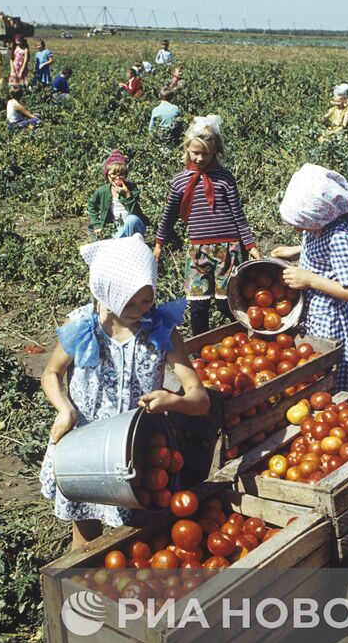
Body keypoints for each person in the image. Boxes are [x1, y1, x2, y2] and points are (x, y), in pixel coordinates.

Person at [38, 234, 209, 545]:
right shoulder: (82, 325)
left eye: (147, 299)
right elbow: (51, 373)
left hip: (137, 451)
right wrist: (64, 409)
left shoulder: (162, 332)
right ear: (107, 292)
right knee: (86, 534)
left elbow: (200, 399)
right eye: (129, 301)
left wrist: (173, 401)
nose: (140, 309)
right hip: (84, 447)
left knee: (136, 537)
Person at [270, 164, 348, 392]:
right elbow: (324, 252)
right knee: (311, 377)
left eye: (301, 223)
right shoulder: (321, 227)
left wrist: (310, 279)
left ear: (318, 215)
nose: (297, 227)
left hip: (329, 323)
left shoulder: (339, 237)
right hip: (312, 314)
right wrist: (297, 250)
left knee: (327, 383)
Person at [153, 116, 261, 335]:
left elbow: (238, 215)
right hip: (198, 251)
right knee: (198, 305)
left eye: (206, 153)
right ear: (187, 149)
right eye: (196, 152)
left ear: (215, 151)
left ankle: (244, 339)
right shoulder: (180, 181)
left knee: (226, 303)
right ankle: (199, 352)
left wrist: (250, 246)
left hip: (227, 249)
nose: (200, 158)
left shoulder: (225, 178)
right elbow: (169, 215)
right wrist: (158, 244)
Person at [88, 151, 149, 239]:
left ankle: (113, 243)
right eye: (113, 174)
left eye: (121, 174)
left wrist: (127, 195)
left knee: (131, 219)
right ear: (107, 175)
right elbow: (91, 206)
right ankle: (119, 241)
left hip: (135, 226)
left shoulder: (132, 188)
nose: (117, 177)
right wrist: (97, 225)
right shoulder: (102, 191)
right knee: (119, 232)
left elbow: (136, 213)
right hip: (116, 227)